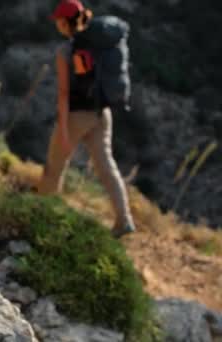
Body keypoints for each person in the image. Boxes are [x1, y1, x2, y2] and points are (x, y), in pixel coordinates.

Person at [38, 0, 136, 238]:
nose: (57, 26)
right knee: (106, 166)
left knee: (54, 167)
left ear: (65, 22)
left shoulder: (66, 51)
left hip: (76, 116)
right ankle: (124, 220)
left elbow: (63, 93)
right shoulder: (100, 44)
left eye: (59, 21)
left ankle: (42, 217)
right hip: (102, 113)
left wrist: (62, 130)